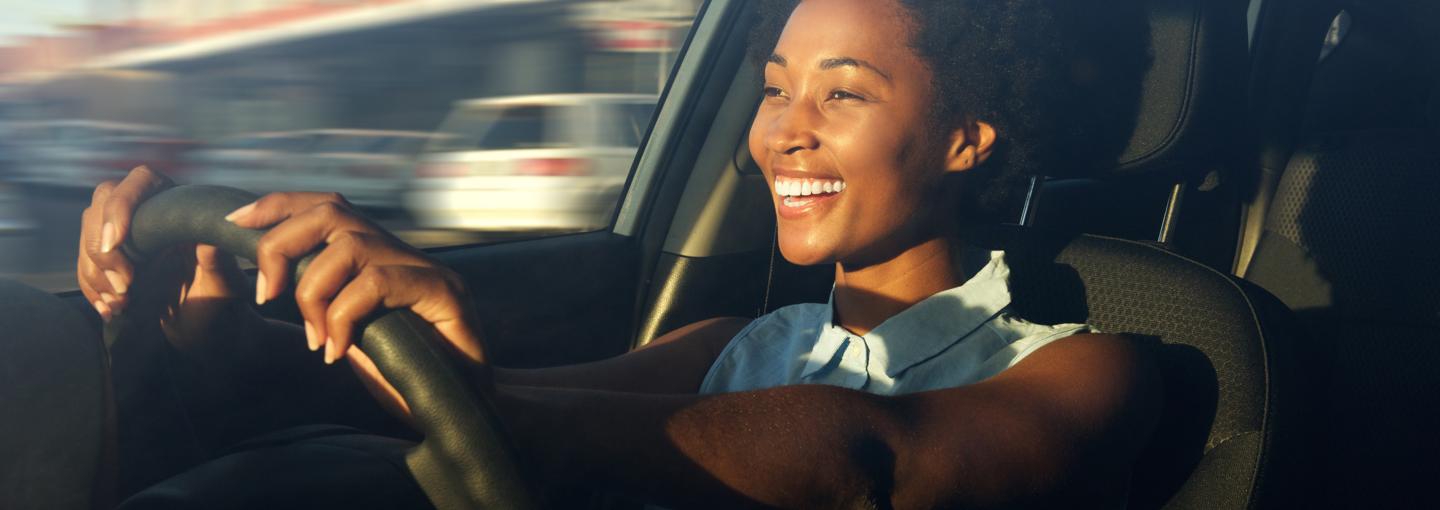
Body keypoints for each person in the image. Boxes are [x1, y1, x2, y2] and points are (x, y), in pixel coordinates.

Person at [78, 0, 1160, 508]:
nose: (784, 131)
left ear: (968, 137)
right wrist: (232, 335)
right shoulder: (741, 344)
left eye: (842, 94)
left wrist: (482, 404)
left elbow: (872, 459)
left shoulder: (1087, 368)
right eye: (774, 89)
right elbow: (498, 404)